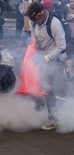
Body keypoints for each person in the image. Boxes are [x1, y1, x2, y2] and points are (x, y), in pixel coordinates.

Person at [24, 2, 67, 130]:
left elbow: (62, 46)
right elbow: (34, 39)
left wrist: (47, 58)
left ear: (41, 13)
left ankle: (53, 120)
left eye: (33, 17)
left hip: (55, 57)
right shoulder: (33, 23)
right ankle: (40, 107)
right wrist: (30, 43)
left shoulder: (54, 24)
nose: (31, 20)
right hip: (42, 55)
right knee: (35, 81)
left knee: (48, 86)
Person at [64, 0, 74, 82]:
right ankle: (72, 76)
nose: (72, 3)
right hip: (69, 37)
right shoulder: (65, 10)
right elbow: (66, 17)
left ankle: (68, 71)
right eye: (71, 1)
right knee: (70, 57)